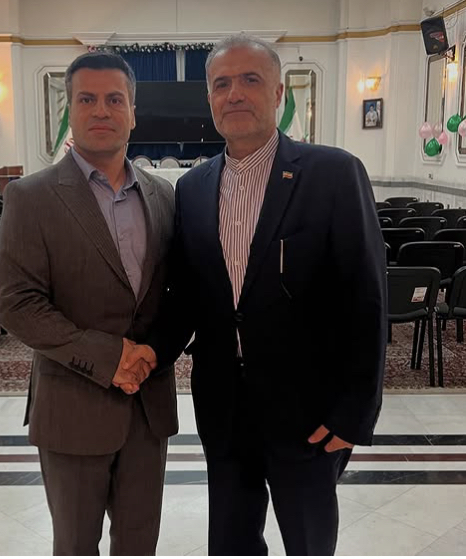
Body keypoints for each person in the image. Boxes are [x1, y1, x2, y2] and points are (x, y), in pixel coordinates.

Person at [129, 33, 387, 555]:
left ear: (278, 93)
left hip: (309, 411)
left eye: (250, 79)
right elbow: (189, 296)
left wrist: (356, 413)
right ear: (209, 98)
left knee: (309, 541)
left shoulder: (334, 173)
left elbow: (366, 299)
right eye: (221, 84)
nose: (235, 94)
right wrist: (151, 350)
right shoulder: (193, 188)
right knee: (230, 541)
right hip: (223, 407)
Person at [0, 52, 178, 556]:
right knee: (75, 545)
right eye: (87, 99)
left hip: (148, 408)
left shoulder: (163, 196)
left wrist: (152, 353)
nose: (101, 110)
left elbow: (176, 295)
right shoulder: (31, 197)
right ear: (69, 111)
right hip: (72, 406)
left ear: (133, 112)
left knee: (140, 544)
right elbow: (17, 303)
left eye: (114, 99)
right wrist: (108, 358)